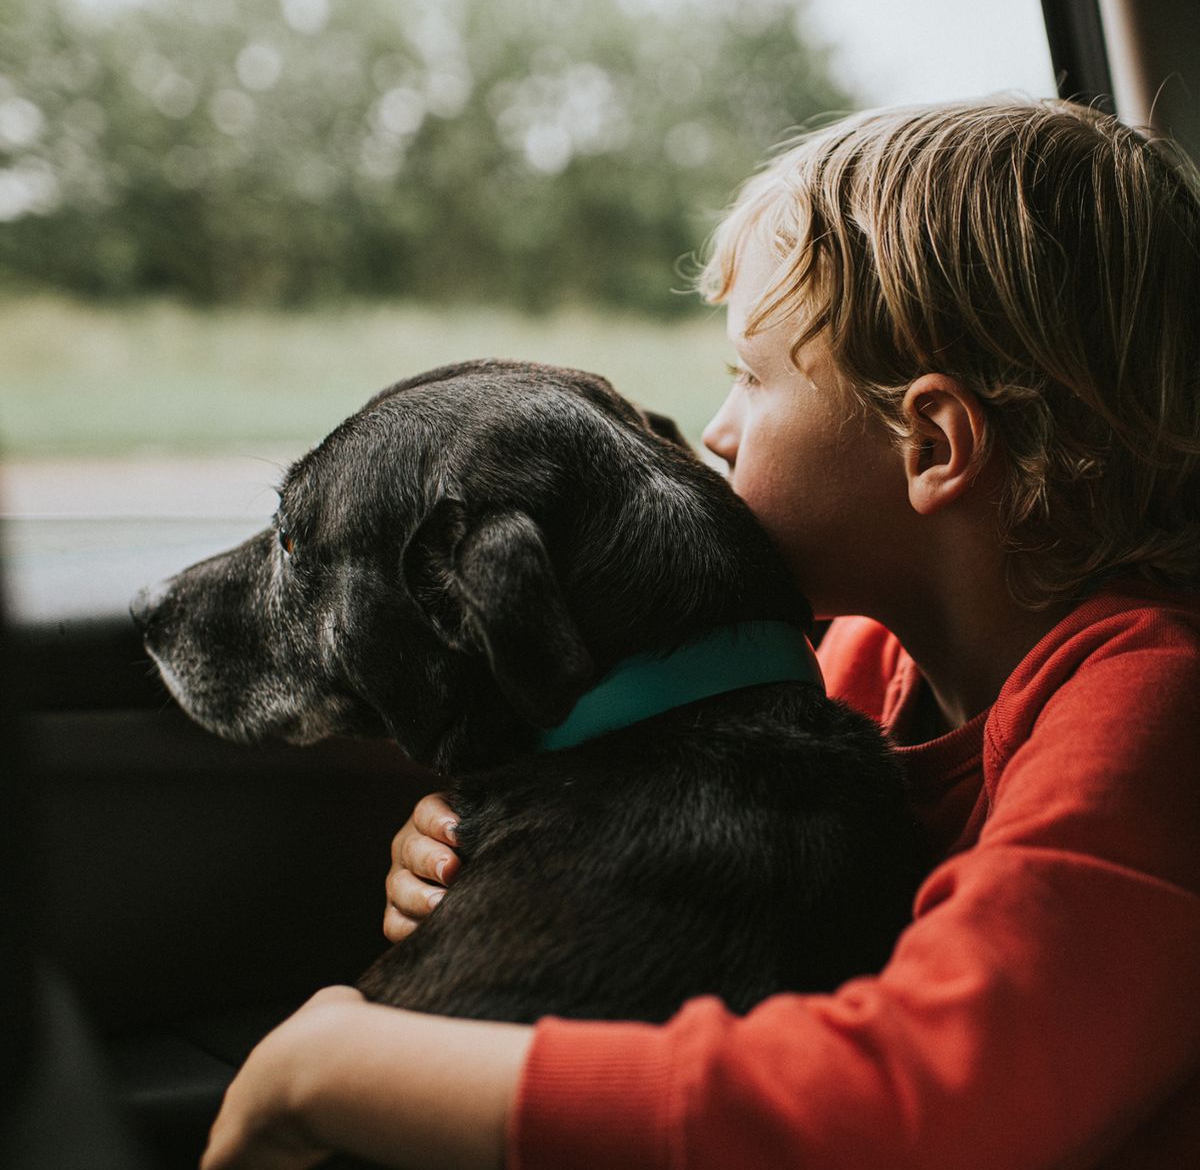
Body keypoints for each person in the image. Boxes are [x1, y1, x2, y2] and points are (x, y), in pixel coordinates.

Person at [200, 97, 1200, 1170]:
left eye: (751, 378)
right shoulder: (859, 660)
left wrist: (338, 1069)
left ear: (933, 442)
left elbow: (924, 1099)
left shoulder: (1146, 714)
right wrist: (489, 852)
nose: (715, 432)